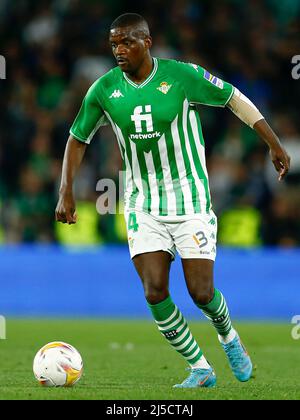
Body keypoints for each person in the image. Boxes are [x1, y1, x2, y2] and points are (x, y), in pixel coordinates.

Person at [55, 13, 290, 388]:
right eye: (113, 44)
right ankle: (200, 367)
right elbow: (77, 138)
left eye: (126, 42)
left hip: (190, 201)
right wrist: (66, 189)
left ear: (147, 42)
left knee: (201, 292)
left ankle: (228, 337)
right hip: (142, 205)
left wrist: (272, 141)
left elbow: (233, 97)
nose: (119, 50)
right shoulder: (102, 89)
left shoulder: (180, 75)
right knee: (154, 290)